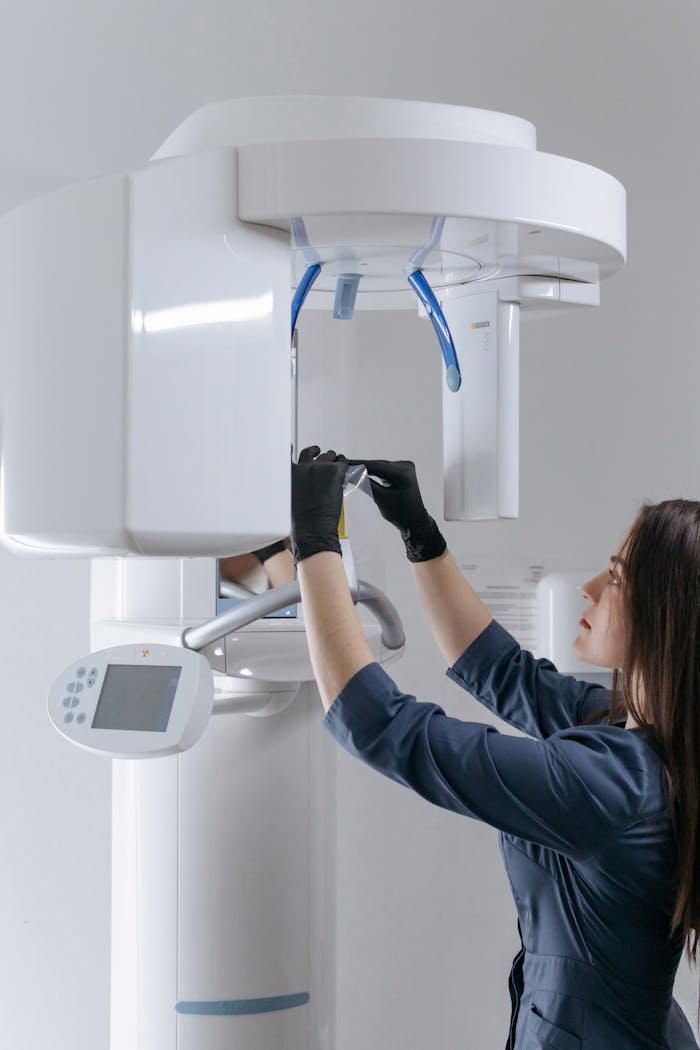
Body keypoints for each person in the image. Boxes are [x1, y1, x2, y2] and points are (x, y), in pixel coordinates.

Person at [290, 445, 700, 1050]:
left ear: (666, 616)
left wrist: (314, 545)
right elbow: (500, 669)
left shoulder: (612, 784)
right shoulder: (641, 727)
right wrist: (418, 532)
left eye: (614, 578)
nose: (589, 588)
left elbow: (379, 725)